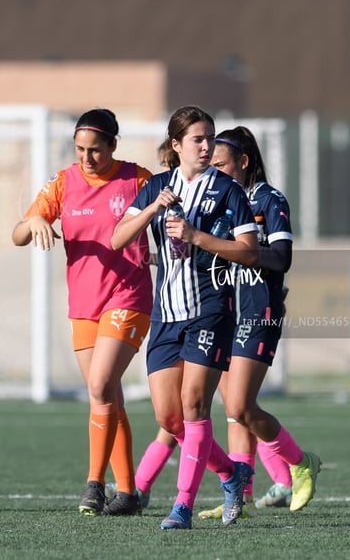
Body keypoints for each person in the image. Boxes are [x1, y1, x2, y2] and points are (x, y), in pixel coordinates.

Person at [111, 105, 259, 530]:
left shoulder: (228, 190)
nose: (206, 146)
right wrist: (152, 209)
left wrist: (197, 237)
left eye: (209, 137)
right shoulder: (157, 186)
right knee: (168, 419)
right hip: (166, 315)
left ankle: (183, 507)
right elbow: (118, 238)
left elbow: (249, 250)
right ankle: (231, 473)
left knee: (195, 405)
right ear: (175, 146)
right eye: (197, 139)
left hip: (210, 311)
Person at [11, 108, 153, 517]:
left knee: (99, 385)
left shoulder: (137, 180)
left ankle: (94, 485)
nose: (87, 158)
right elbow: (18, 234)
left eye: (95, 150)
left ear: (113, 145)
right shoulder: (63, 182)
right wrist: (35, 218)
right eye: (80, 150)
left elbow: (166, 220)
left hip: (128, 297)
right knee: (107, 394)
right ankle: (127, 495)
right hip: (84, 305)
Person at [197, 126, 321, 520]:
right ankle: (240, 496)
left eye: (220, 164)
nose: (213, 172)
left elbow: (281, 259)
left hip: (258, 309)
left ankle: (301, 462)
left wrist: (240, 252)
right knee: (231, 411)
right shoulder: (222, 202)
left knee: (241, 405)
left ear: (244, 161)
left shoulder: (268, 199)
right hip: (226, 311)